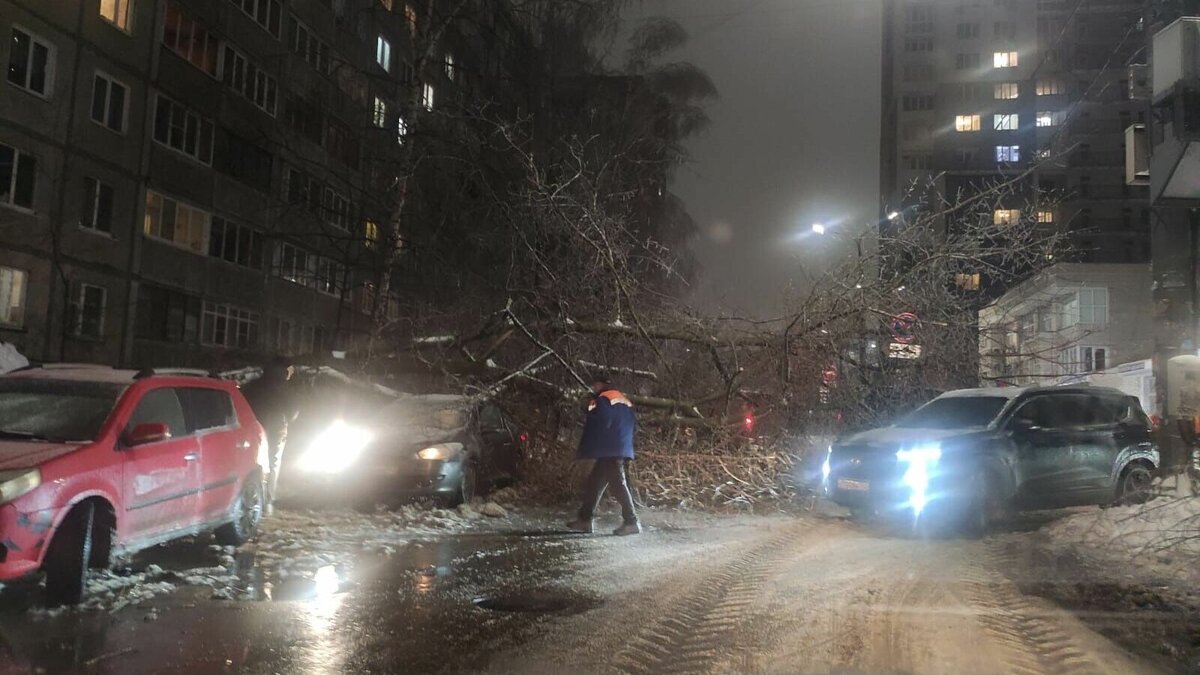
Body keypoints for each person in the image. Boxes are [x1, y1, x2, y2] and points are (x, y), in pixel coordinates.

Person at [566, 375, 640, 536]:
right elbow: (634, 425)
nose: (594, 388)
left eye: (595, 385)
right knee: (594, 483)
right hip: (620, 446)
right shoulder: (623, 399)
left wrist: (589, 412)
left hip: (610, 448)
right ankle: (584, 520)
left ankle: (631, 521)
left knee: (618, 484)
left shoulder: (602, 400)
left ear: (599, 385)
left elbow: (601, 421)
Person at [241, 357, 297, 516]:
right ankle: (267, 501)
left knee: (253, 460)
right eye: (291, 371)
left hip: (254, 425)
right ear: (285, 370)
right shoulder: (284, 388)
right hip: (276, 426)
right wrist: (287, 419)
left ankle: (250, 497)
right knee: (273, 461)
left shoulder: (255, 384)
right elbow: (293, 410)